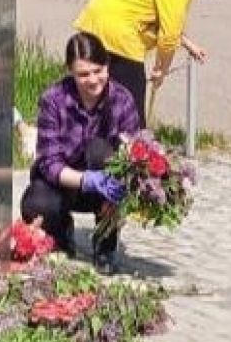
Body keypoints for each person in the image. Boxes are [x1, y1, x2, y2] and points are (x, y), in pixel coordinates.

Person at [19, 31, 143, 275]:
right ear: (70, 72)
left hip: (106, 188)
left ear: (107, 65)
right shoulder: (53, 100)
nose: (93, 80)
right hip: (64, 182)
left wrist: (121, 188)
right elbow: (49, 163)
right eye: (83, 74)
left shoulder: (122, 99)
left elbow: (136, 155)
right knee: (37, 202)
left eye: (98, 71)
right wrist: (87, 180)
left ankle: (105, 244)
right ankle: (61, 231)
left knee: (100, 150)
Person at [74, 0, 231, 120]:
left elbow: (166, 21)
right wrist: (161, 69)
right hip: (118, 33)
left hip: (94, 22)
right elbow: (169, 36)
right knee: (131, 107)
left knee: (101, 99)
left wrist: (189, 45)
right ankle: (132, 145)